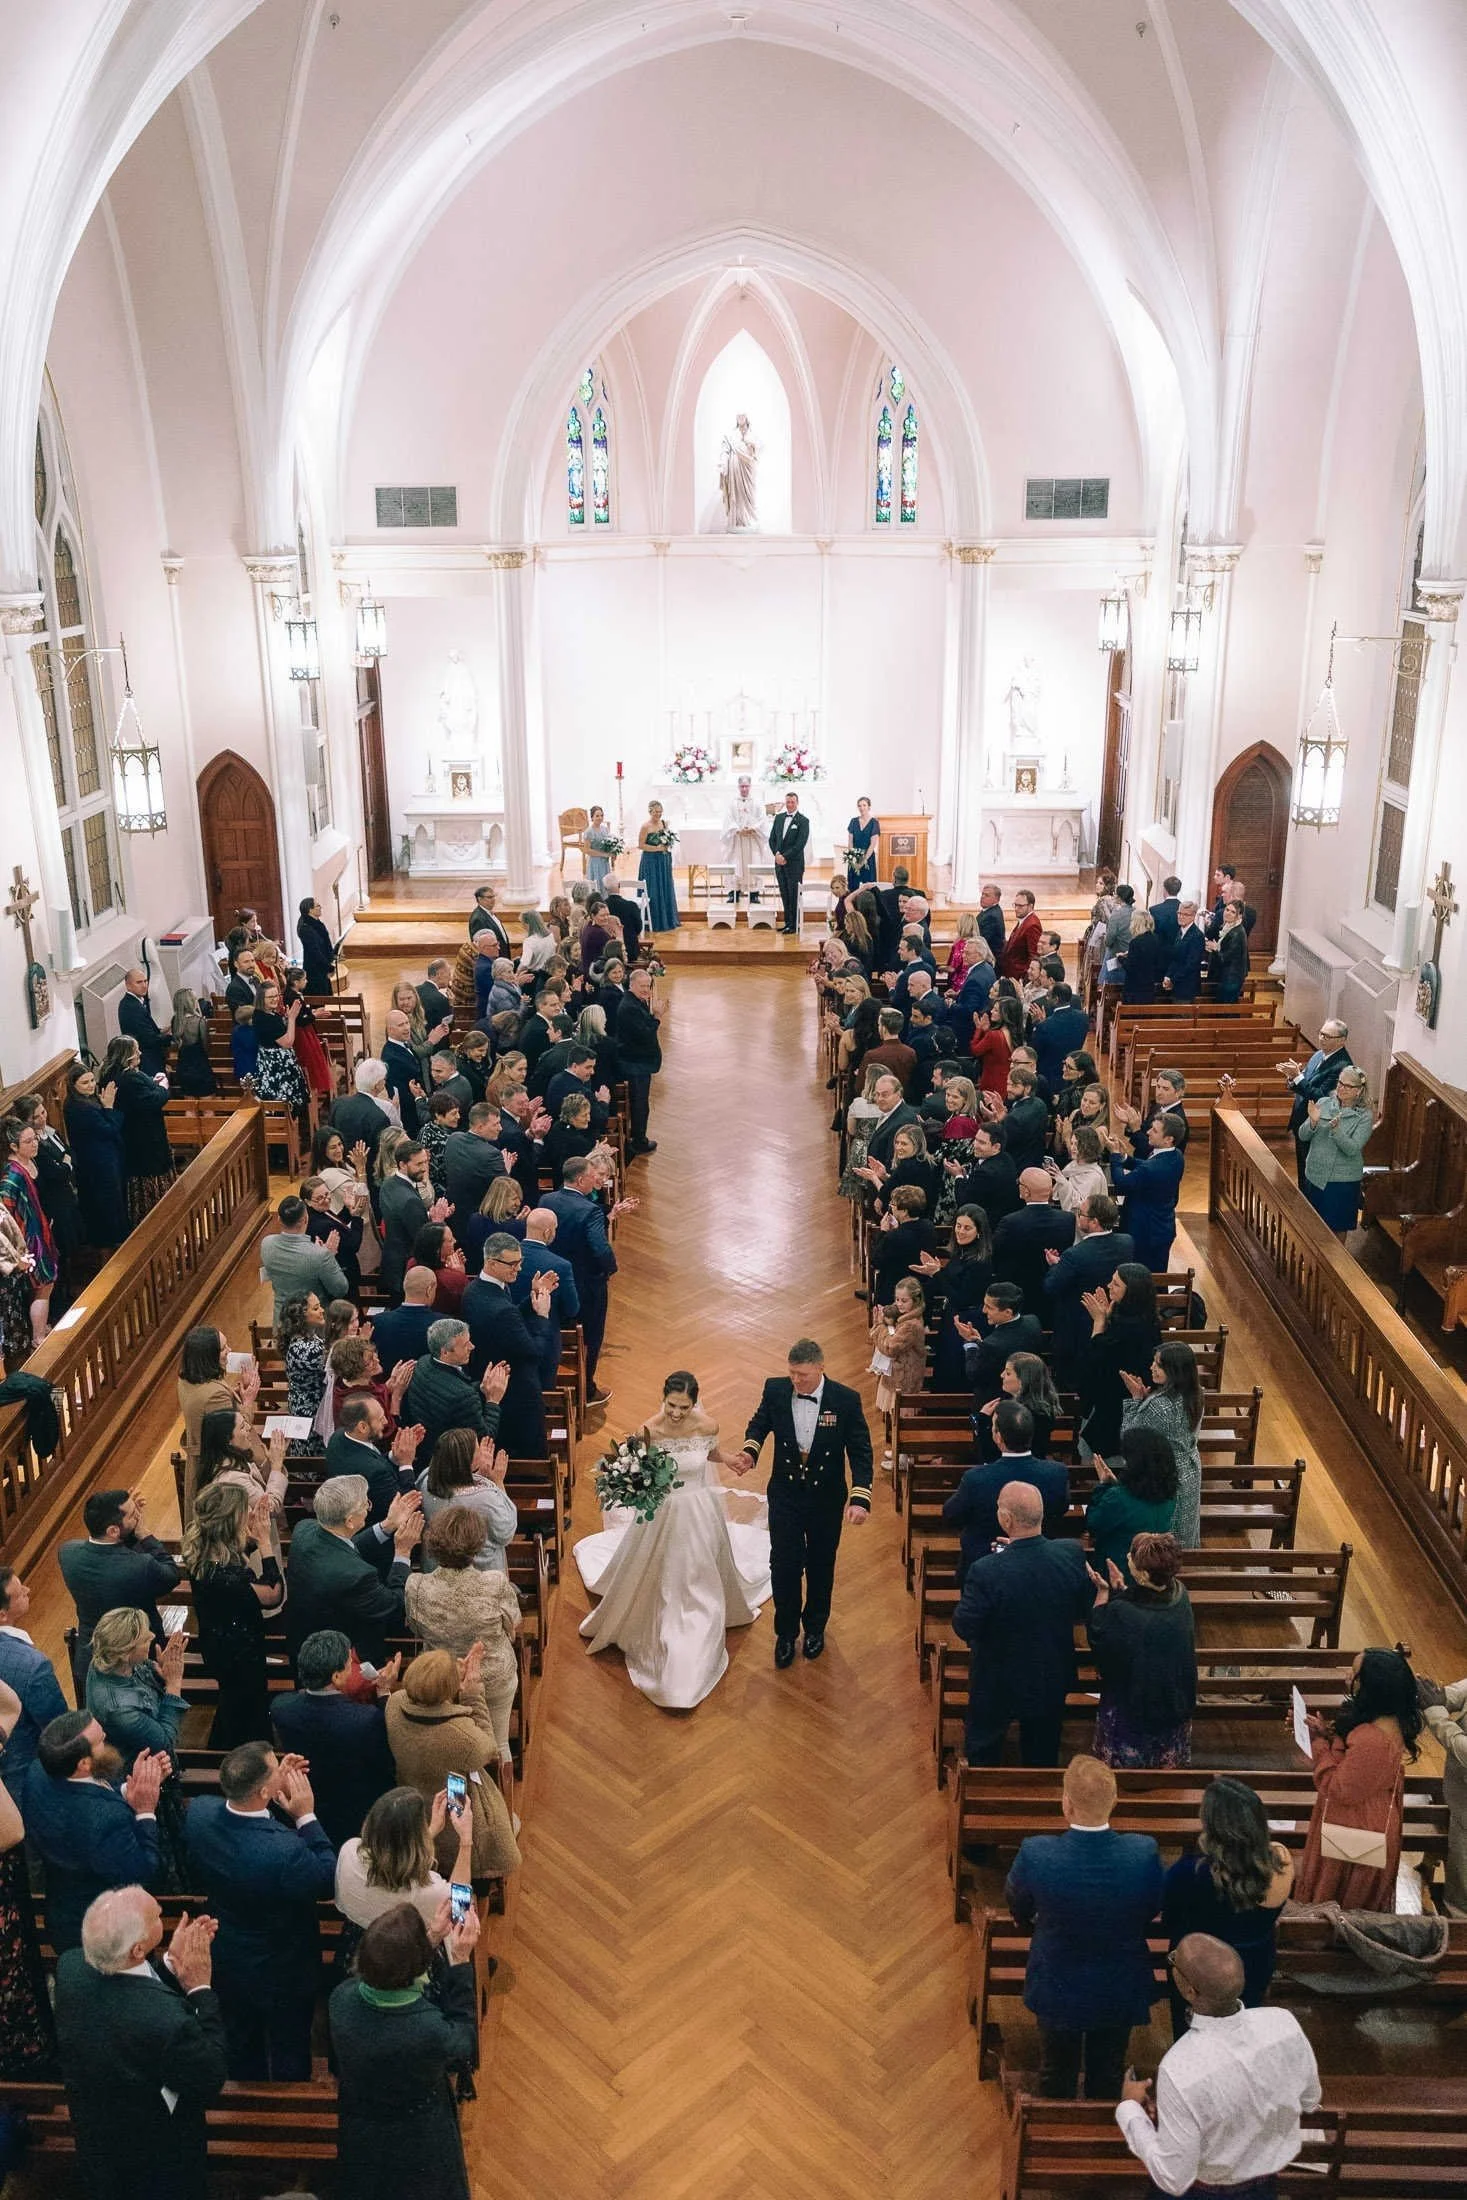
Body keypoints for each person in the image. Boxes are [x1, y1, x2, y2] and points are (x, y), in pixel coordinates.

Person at [577, 1371, 772, 1707]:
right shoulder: (649, 1429)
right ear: (663, 1398)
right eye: (672, 1405)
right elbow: (636, 1466)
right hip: (663, 1511)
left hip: (699, 1510)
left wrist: (728, 1459)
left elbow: (707, 1452)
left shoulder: (708, 1425)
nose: (677, 1413)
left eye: (684, 1407)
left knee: (700, 1570)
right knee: (662, 1572)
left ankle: (699, 1625)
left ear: (694, 1403)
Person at [1005, 1754, 1163, 2102]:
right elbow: (1152, 1906)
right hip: (1118, 1981)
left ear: (1066, 1804)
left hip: (1057, 1980)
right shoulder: (1142, 1852)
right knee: (1108, 2071)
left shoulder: (1037, 1853)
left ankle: (1053, 2131)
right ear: (1115, 1801)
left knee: (1055, 2071)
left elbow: (1017, 1903)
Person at [55, 1888, 226, 2200]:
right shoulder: (166, 2022)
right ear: (137, 1950)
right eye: (157, 1917)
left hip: (99, 2134)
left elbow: (131, 2000)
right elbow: (210, 2073)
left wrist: (171, 1965)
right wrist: (200, 1988)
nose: (162, 1913)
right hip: (156, 2156)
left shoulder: (71, 1968)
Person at [1117, 1933, 1320, 2197]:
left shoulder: (1180, 2066)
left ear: (1189, 1991)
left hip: (1203, 2191)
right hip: (1264, 2186)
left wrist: (1130, 2109)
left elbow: (1173, 2178)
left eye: (1173, 1961)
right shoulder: (1284, 2024)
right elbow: (1309, 2100)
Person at [186, 1740, 335, 2078]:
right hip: (284, 1964)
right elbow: (326, 1879)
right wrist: (306, 1815)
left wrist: (272, 1781)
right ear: (264, 1790)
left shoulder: (199, 1813)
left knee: (240, 2043)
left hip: (228, 1954)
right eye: (275, 1766)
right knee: (290, 2045)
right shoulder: (285, 1851)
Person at [328, 1899, 479, 2200]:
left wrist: (430, 1940)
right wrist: (460, 1961)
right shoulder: (426, 2029)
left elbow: (389, 1971)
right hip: (417, 2137)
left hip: (361, 2127)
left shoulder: (341, 1999)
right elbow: (463, 2041)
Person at [736, 1340, 872, 1668]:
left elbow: (861, 1450)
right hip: (786, 1494)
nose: (797, 1381)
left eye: (804, 1376)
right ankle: (785, 1633)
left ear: (821, 1368)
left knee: (821, 1565)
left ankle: (815, 1629)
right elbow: (759, 1424)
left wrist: (860, 1497)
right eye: (792, 1374)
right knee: (784, 1566)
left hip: (826, 1499)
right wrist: (750, 1452)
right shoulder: (776, 1390)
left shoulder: (845, 1399)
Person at [952, 1481, 1094, 1765]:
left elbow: (964, 1625)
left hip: (997, 1677)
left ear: (1006, 1519)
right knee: (1043, 1751)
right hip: (1050, 1672)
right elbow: (1082, 1607)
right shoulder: (1071, 1554)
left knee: (984, 1747)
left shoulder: (986, 1570)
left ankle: (981, 1792)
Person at [22, 1710, 164, 1952]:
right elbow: (144, 1869)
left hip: (62, 1907)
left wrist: (125, 1791)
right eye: (100, 1741)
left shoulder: (38, 1773)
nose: (106, 1737)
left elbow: (91, 1793)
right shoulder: (105, 1820)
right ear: (84, 1763)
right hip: (100, 1929)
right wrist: (145, 1810)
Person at [1162, 1777, 1294, 2032]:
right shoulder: (1281, 1860)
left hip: (1200, 1971)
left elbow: (1170, 1921)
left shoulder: (1189, 1872)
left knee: (1193, 2032)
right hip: (1254, 1965)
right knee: (1244, 2028)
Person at [1294, 1646, 1420, 1912]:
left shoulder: (1375, 1741)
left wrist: (1318, 1745)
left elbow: (1339, 1787)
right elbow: (1355, 1764)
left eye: (1354, 1673)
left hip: (1355, 1829)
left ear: (1372, 1687)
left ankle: (1323, 1945)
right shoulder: (1380, 1719)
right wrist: (1326, 1734)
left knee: (1338, 1901)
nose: (1347, 1676)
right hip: (1358, 1817)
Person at [385, 1645, 521, 1880]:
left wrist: (450, 1679)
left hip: (413, 1798)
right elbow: (488, 1748)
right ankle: (481, 1883)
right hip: (453, 1802)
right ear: (449, 1691)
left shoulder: (395, 1705)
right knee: (482, 1835)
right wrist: (473, 1694)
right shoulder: (459, 1735)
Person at [271, 1628, 398, 1849]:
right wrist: (384, 1693)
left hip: (308, 1802)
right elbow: (384, 1764)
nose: (354, 1669)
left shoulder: (282, 1707)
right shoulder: (365, 1719)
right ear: (336, 1676)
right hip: (353, 1811)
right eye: (349, 1664)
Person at [407, 1510, 521, 1753]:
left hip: (440, 1679)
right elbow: (513, 1625)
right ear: (477, 1545)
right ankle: (500, 1784)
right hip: (491, 1675)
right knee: (499, 1742)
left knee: (445, 1746)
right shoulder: (494, 1582)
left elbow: (416, 1628)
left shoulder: (416, 1585)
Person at [284, 1474, 422, 1672]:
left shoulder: (304, 1530)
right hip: (339, 1665)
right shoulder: (357, 1576)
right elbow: (394, 1605)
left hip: (302, 1644)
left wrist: (388, 1525)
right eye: (365, 1504)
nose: (368, 1507)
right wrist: (402, 1552)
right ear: (349, 1521)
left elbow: (342, 1548)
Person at [182, 1482, 284, 1747]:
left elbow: (234, 1561)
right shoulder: (228, 1578)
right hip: (240, 1652)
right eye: (244, 1511)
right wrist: (264, 1542)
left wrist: (248, 1540)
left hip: (217, 1643)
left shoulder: (203, 1554)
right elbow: (273, 1594)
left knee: (232, 1703)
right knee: (247, 1708)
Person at [1087, 1530, 1196, 1769]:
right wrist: (1123, 1591)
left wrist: (1104, 1592)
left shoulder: (1123, 1614)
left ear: (1144, 1574)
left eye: (1131, 1560)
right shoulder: (1180, 1593)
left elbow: (1099, 1635)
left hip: (1135, 1707)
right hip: (1173, 1697)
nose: (1128, 1559)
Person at [60, 1488, 181, 1687]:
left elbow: (113, 1552)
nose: (139, 1517)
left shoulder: (67, 1553)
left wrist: (128, 1521)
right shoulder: (140, 1566)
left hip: (90, 1660)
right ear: (113, 1530)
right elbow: (171, 1575)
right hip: (136, 1663)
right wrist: (144, 1534)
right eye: (134, 1515)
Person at [942, 1401, 1068, 1581]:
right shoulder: (1056, 1473)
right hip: (1039, 1565)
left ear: (998, 1437)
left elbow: (951, 1515)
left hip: (984, 1563)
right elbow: (1060, 1509)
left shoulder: (976, 1478)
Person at [335, 1782, 473, 1941]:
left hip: (355, 1953)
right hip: (407, 1961)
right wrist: (465, 1840)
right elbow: (459, 1910)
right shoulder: (428, 1893)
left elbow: (393, 1853)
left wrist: (430, 1832)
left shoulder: (349, 1851)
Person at [544, 1152, 619, 1403]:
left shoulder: (547, 1199)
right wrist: (609, 1269)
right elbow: (600, 1248)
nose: (593, 1181)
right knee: (591, 1336)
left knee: (558, 1330)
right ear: (579, 1180)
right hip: (586, 1283)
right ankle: (586, 1389)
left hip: (552, 1279)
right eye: (590, 1177)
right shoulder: (590, 1210)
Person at [1121, 1340, 1204, 1546]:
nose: (1151, 1367)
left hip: (1166, 1474)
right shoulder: (1195, 1393)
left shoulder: (1160, 1407)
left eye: (1158, 1364)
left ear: (1173, 1370)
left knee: (1165, 1539)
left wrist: (1136, 1399)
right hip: (1190, 1469)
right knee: (1183, 1531)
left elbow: (1130, 1436)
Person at [402, 1317, 511, 1468]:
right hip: (451, 1465)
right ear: (445, 1352)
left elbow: (450, 1394)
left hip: (426, 1453)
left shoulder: (424, 1362)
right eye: (466, 1344)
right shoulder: (464, 1397)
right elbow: (484, 1439)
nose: (472, 1347)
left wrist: (481, 1387)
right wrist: (493, 1400)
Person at [0, 1566, 68, 1803]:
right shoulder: (33, 1665)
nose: (28, 1590)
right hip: (20, 1783)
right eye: (20, 1593)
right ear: (2, 1615)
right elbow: (59, 1728)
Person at [417, 1426, 518, 1574]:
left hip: (436, 1574)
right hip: (482, 1579)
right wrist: (497, 1481)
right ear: (466, 1461)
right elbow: (506, 1532)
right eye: (477, 1451)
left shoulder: (425, 1482)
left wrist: (481, 1475)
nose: (482, 1454)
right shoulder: (486, 1498)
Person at [1084, 1428, 1178, 1581]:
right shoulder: (1168, 1494)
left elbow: (1093, 1523)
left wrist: (1104, 1486)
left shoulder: (1118, 1498)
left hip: (1118, 1571)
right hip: (1155, 1569)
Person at [101, 1036, 175, 1223]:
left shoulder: (113, 1075)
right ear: (127, 1055)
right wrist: (163, 1086)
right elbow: (152, 1100)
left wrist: (152, 1083)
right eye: (136, 1050)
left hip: (132, 1136)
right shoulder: (128, 1079)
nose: (140, 1053)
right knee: (149, 1188)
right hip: (144, 1140)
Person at [1277, 1017, 1353, 1188]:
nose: (1322, 1038)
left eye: (1328, 1036)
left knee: (1311, 1172)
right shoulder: (1319, 1054)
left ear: (1342, 1040)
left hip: (1317, 1127)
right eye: (1321, 1034)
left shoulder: (1342, 1067)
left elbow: (1321, 1098)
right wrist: (1292, 1078)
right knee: (1302, 1169)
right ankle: (1304, 1201)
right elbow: (1307, 1084)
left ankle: (1310, 1207)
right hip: (1302, 1122)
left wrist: (1298, 1076)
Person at [0, 1117, 57, 1348]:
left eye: (35, 1139)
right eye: (28, 1141)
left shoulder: (25, 1166)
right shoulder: (11, 1177)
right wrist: (20, 1249)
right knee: (43, 1285)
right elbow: (7, 1216)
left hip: (38, 1232)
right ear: (14, 1146)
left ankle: (42, 1329)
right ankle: (38, 1337)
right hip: (28, 1240)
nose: (35, 1144)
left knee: (46, 1285)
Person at [1298, 1065, 1373, 1235]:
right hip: (1315, 1175)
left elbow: (1352, 1149)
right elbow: (1303, 1135)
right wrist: (1313, 1122)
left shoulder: (1364, 1116)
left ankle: (1334, 1263)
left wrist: (1337, 1130)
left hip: (1341, 1182)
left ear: (1359, 1091)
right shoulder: (1324, 1103)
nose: (1341, 1088)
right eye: (1340, 1083)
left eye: (1348, 1086)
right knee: (1312, 1227)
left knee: (1336, 1230)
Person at [1108, 1110, 1186, 1274]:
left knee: (1140, 1278)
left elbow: (1122, 1184)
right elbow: (1146, 1164)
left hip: (1144, 1232)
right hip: (1162, 1227)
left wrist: (1115, 1157)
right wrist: (1125, 1159)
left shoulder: (1151, 1169)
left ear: (1168, 1139)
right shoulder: (1176, 1155)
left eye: (1155, 1130)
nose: (1148, 1132)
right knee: (1157, 1275)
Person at [991, 1168, 1075, 1316]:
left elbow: (995, 1252)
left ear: (1026, 1192)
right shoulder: (1068, 1220)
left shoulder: (1010, 1222)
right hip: (1052, 1292)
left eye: (1020, 1183)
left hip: (1017, 1294)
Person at [64, 1061, 129, 1250]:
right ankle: (113, 1240)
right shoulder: (79, 1108)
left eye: (92, 1080)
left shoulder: (87, 1101)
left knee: (113, 1198)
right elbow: (109, 1130)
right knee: (106, 1202)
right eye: (85, 1083)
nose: (91, 1085)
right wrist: (108, 1108)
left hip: (104, 1157)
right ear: (73, 1086)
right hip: (97, 1163)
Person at [259, 1193, 347, 1322]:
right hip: (313, 1324)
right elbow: (340, 1289)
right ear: (306, 1219)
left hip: (282, 1321)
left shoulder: (267, 1243)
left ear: (279, 1220)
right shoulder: (320, 1255)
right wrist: (329, 1256)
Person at [958, 1280, 1043, 1403]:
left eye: (989, 1307)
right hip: (1030, 1399)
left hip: (997, 1404)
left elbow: (973, 1373)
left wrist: (970, 1343)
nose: (983, 1311)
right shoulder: (1033, 1322)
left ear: (1008, 1312)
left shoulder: (992, 1345)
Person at [617, 966, 663, 1156]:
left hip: (640, 1061)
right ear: (632, 985)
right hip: (635, 1063)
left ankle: (639, 1137)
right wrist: (657, 1017)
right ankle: (639, 1141)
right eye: (642, 986)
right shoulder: (629, 1007)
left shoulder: (637, 1001)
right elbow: (644, 1034)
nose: (646, 990)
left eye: (648, 986)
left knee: (641, 1102)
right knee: (639, 1103)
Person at [116, 966, 170, 1080]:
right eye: (139, 982)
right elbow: (148, 1040)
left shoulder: (135, 1002)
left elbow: (145, 1029)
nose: (144, 985)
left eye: (145, 981)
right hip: (147, 1060)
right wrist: (171, 1037)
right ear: (128, 985)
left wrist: (162, 1030)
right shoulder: (132, 1007)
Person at [768, 789, 809, 934]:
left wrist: (785, 856)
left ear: (797, 803)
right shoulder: (779, 818)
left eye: (792, 802)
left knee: (794, 894)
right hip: (779, 864)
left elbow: (800, 844)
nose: (790, 805)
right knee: (784, 894)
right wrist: (777, 854)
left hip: (794, 864)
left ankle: (794, 924)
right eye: (788, 802)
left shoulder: (803, 821)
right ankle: (787, 923)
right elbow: (772, 839)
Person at [636, 800, 680, 932]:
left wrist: (666, 845)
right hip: (650, 861)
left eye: (660, 812)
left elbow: (667, 840)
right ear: (650, 811)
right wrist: (657, 848)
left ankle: (667, 918)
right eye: (656, 812)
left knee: (664, 886)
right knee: (653, 887)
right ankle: (654, 920)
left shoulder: (663, 823)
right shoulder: (645, 826)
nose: (658, 815)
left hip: (663, 860)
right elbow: (641, 845)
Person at [1161, 901, 1207, 1001]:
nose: (1181, 917)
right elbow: (1175, 958)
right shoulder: (1180, 931)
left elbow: (1191, 964)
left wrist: (1172, 980)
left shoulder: (1197, 936)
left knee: (1181, 1016)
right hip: (1177, 985)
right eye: (1179, 913)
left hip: (1187, 988)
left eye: (1185, 914)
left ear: (1193, 916)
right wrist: (1168, 976)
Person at [1210, 898, 1249, 1003]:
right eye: (1227, 910)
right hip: (1229, 976)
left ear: (1239, 916)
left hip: (1231, 979)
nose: (1228, 913)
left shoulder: (1236, 933)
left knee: (1225, 1011)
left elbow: (1224, 958)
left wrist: (1215, 948)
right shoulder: (1230, 927)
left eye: (1233, 912)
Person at [297, 895, 337, 994]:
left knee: (324, 1001)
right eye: (317, 906)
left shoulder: (317, 923)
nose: (320, 907)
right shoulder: (305, 928)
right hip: (315, 970)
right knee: (318, 1002)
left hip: (322, 967)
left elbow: (324, 944)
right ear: (310, 910)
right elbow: (314, 951)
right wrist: (328, 967)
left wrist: (331, 957)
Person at [1000, 889, 1042, 979]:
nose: (1016, 909)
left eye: (1020, 906)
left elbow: (1034, 955)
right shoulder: (1024, 920)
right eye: (1015, 905)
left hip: (1019, 977)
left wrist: (1025, 978)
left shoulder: (1032, 925)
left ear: (1030, 906)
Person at [845, 795, 881, 886]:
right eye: (859, 805)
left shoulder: (874, 823)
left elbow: (872, 845)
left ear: (869, 807)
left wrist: (863, 861)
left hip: (868, 858)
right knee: (853, 886)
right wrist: (853, 859)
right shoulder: (853, 821)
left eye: (864, 805)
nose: (862, 808)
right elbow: (850, 842)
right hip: (854, 858)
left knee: (868, 887)